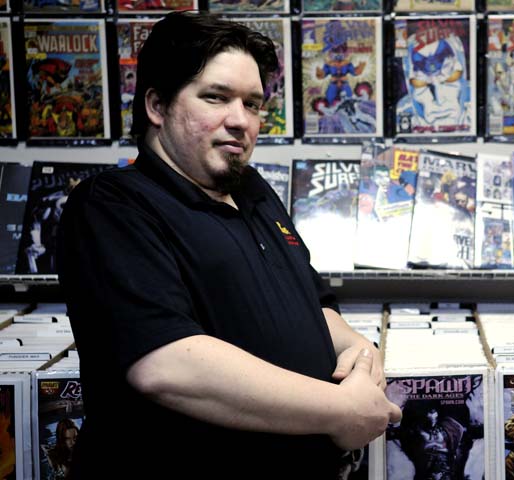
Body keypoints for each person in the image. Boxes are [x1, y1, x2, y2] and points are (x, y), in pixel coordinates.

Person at [56, 11, 401, 479]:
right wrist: (342, 409)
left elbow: (313, 307)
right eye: (216, 98)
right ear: (157, 107)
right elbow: (166, 365)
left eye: (253, 104)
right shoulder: (111, 207)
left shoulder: (254, 189)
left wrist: (363, 353)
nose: (240, 121)